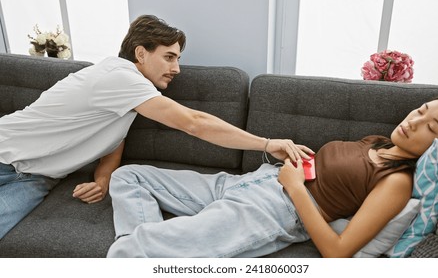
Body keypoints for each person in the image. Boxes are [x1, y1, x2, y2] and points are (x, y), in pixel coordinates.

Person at [0, 15, 310, 239]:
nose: (177, 68)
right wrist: (268, 144)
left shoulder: (132, 93)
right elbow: (194, 123)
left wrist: (104, 177)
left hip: (36, 179)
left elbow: (113, 139)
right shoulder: (120, 78)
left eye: (178, 58)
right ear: (140, 53)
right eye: (169, 57)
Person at [106, 95, 438, 258]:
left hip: (273, 209)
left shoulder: (398, 182)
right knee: (128, 176)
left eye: (430, 126)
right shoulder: (378, 142)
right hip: (256, 181)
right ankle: (153, 245)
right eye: (420, 110)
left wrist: (296, 189)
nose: (414, 121)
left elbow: (337, 253)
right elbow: (332, 175)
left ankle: (146, 250)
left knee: (129, 253)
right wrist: (296, 156)